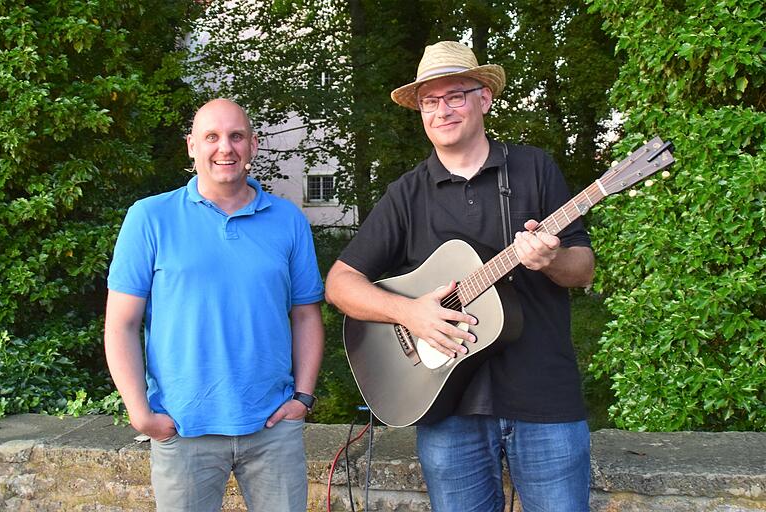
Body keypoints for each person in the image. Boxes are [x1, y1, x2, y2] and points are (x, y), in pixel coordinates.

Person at [325, 41, 595, 511]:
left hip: (544, 397)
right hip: (445, 407)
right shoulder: (407, 193)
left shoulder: (535, 169)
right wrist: (410, 313)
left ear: (484, 98)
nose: (442, 110)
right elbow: (340, 283)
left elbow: (582, 267)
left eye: (456, 96)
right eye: (431, 101)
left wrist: (550, 260)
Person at [104, 98, 324, 511]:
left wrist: (303, 397)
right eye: (212, 137)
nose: (225, 147)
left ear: (253, 146)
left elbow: (306, 314)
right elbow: (121, 325)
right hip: (184, 429)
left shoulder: (288, 220)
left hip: (272, 427)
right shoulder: (149, 218)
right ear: (191, 146)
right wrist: (139, 413)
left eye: (236, 136)